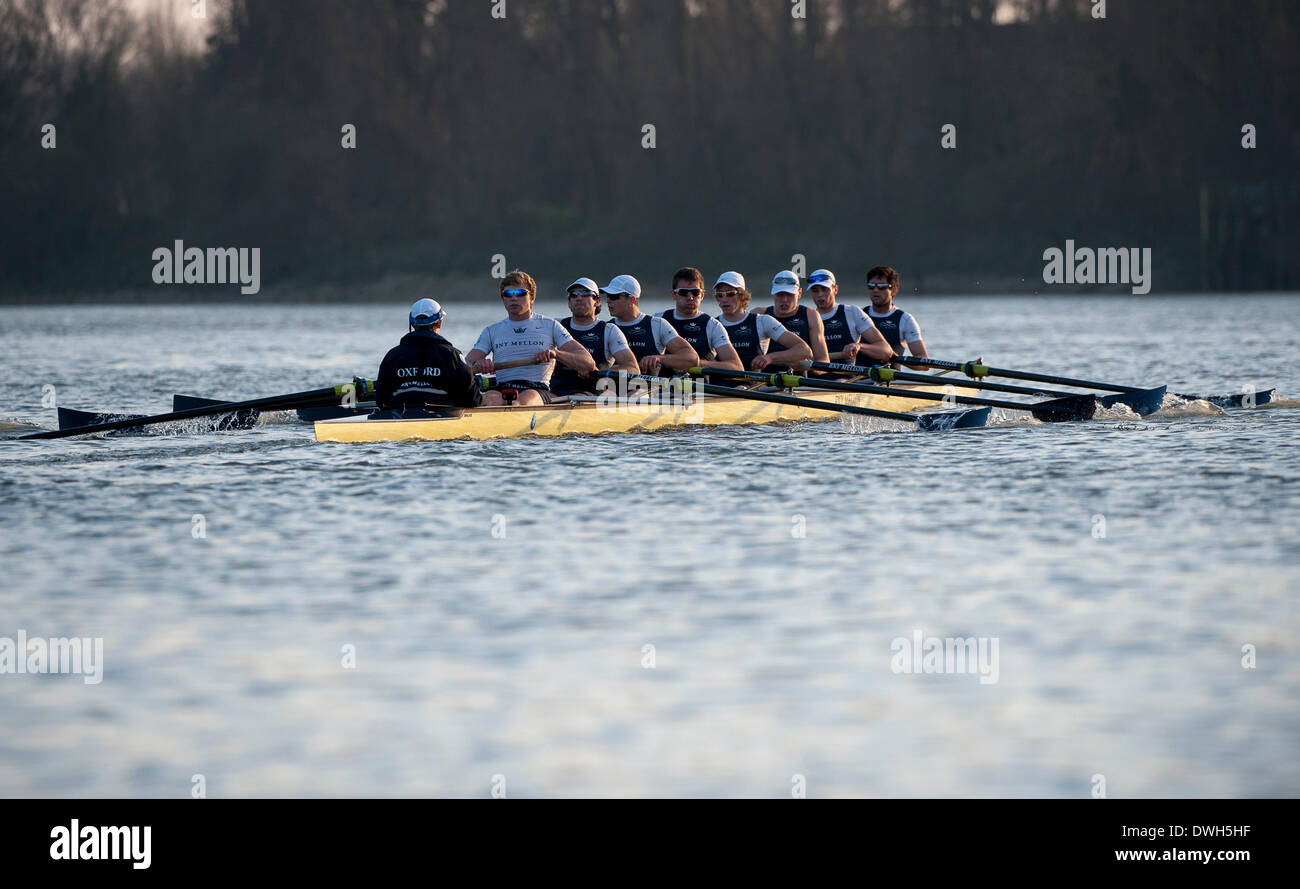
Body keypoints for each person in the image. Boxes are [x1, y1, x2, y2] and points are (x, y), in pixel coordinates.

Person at [464, 270, 596, 405]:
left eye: (521, 293)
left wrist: (555, 354)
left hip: (537, 389)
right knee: (488, 401)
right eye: (508, 294)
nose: (514, 298)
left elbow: (588, 363)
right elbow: (465, 365)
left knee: (522, 402)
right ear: (503, 299)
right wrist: (478, 364)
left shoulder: (551, 325)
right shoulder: (491, 331)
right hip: (501, 389)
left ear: (532, 298)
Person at [375, 298, 482, 412]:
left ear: (411, 323)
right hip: (443, 420)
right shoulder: (453, 356)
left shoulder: (392, 356)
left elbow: (381, 400)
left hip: (399, 418)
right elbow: (473, 399)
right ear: (439, 323)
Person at [550, 277, 639, 396]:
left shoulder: (609, 330)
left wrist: (601, 371)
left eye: (585, 294)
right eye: (574, 295)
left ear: (597, 302)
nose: (579, 298)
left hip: (591, 394)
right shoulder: (555, 325)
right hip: (555, 393)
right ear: (569, 302)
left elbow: (633, 368)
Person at [712, 273, 812, 371]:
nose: (724, 299)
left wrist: (769, 358)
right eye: (720, 294)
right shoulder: (711, 324)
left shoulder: (763, 321)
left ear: (742, 295)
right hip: (716, 385)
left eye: (730, 294)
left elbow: (804, 350)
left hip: (752, 384)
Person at [603, 274, 700, 374]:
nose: (608, 301)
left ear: (632, 299)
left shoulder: (657, 325)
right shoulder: (606, 328)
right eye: (607, 296)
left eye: (613, 297)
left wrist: (659, 358)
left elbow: (692, 358)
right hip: (612, 387)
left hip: (649, 388)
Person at [659, 268, 742, 372]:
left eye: (695, 292)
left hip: (700, 385)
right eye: (684, 292)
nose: (690, 297)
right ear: (673, 295)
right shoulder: (658, 320)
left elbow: (736, 367)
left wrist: (698, 363)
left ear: (702, 295)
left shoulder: (712, 325)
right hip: (663, 385)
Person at [806, 268, 894, 366]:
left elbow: (886, 350)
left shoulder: (852, 313)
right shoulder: (807, 317)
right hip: (815, 378)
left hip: (847, 379)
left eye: (825, 289)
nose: (820, 295)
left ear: (835, 289)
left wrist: (859, 346)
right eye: (815, 291)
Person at [757, 270, 830, 363]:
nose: (784, 300)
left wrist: (808, 368)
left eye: (790, 295)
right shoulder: (759, 314)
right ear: (773, 293)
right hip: (766, 375)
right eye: (780, 295)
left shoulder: (811, 316)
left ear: (799, 293)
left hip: (799, 375)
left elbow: (823, 360)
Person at [864, 265, 929, 360]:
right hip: (858, 374)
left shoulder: (905, 320)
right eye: (871, 286)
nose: (875, 290)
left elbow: (924, 362)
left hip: (890, 372)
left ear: (894, 290)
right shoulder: (858, 315)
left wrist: (893, 357)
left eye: (881, 287)